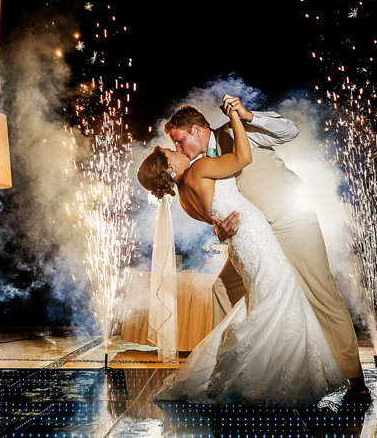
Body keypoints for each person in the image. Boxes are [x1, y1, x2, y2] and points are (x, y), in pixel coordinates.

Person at [137, 102, 346, 407]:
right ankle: (261, 373)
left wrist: (243, 117)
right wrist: (234, 115)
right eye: (173, 150)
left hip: (263, 230)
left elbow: (214, 219)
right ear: (169, 168)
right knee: (276, 297)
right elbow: (240, 164)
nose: (177, 149)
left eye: (178, 142)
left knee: (281, 296)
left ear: (197, 130)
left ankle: (242, 366)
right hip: (254, 235)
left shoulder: (184, 196)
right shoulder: (197, 169)